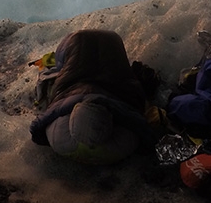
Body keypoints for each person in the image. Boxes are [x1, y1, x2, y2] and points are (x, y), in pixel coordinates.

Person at [29, 29, 154, 165]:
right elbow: (138, 123)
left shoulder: (59, 139)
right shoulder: (124, 143)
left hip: (78, 62)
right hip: (103, 52)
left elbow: (60, 67)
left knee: (61, 69)